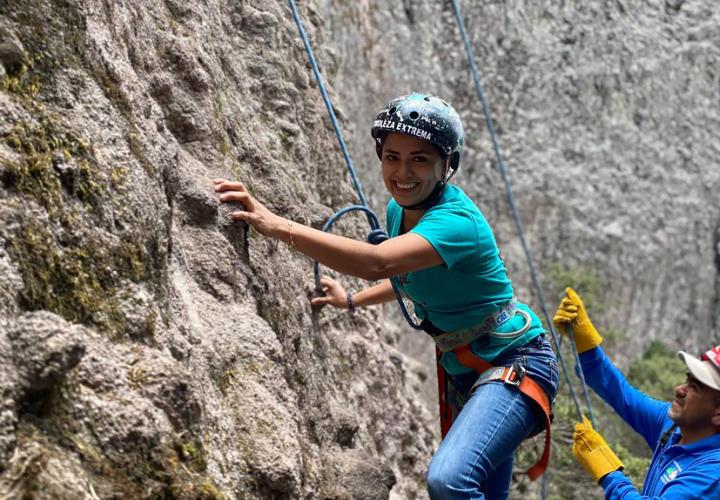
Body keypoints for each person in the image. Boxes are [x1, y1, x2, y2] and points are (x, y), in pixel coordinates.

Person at [214, 93, 559, 499]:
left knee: (449, 480)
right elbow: (400, 273)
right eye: (392, 156)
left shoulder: (456, 223)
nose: (402, 172)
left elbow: (378, 262)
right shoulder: (401, 211)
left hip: (516, 363)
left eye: (419, 159)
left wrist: (275, 224)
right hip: (470, 371)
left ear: (447, 165)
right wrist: (351, 301)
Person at [553, 288, 720, 499]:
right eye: (687, 379)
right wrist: (586, 343)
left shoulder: (712, 474)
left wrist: (609, 472)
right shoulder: (673, 428)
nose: (680, 389)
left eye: (695, 388)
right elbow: (624, 397)